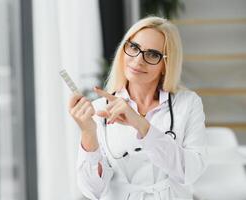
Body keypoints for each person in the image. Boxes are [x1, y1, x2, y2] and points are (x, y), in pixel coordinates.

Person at [68, 16, 207, 200]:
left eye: (152, 54)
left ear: (166, 64)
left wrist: (142, 125)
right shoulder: (99, 109)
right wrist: (88, 133)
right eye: (134, 47)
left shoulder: (188, 103)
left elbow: (190, 172)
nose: (138, 60)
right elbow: (92, 190)